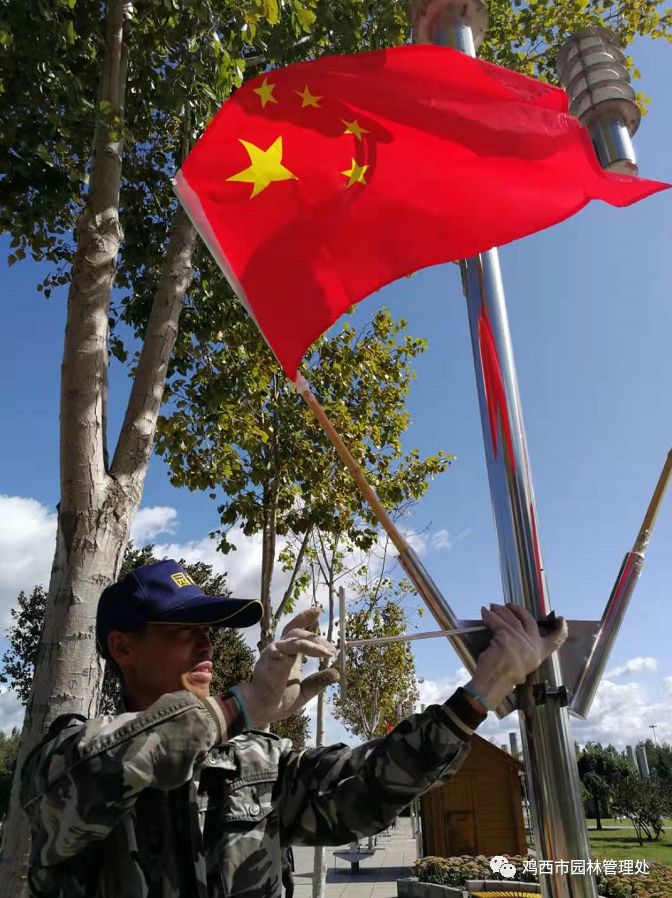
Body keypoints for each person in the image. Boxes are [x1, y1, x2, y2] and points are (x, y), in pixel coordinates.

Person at [20, 559, 567, 898]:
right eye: (186, 630)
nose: (208, 645)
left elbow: (369, 787)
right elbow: (109, 767)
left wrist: (480, 692)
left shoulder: (256, 760)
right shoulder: (66, 754)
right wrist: (248, 704)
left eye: (211, 630)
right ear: (123, 647)